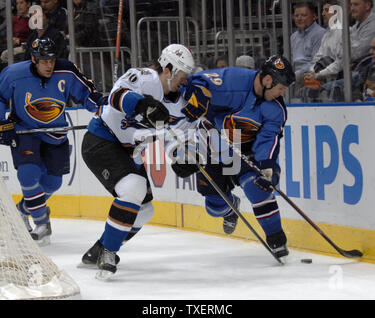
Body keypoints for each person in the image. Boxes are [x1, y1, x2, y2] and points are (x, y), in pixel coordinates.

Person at [80, 44, 195, 280]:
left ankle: (101, 247)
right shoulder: (145, 78)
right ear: (169, 68)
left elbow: (169, 138)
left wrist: (180, 158)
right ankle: (109, 253)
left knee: (144, 210)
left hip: (129, 151)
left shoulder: (180, 105)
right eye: (181, 76)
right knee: (134, 187)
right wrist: (141, 104)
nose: (184, 82)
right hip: (101, 139)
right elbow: (116, 96)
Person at [172, 55, 296, 259]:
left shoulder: (275, 108)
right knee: (215, 207)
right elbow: (194, 82)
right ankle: (231, 209)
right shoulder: (234, 80)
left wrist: (268, 165)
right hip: (212, 148)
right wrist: (198, 95)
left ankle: (277, 239)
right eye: (281, 88)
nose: (282, 93)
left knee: (258, 186)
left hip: (246, 151)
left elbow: (268, 138)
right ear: (267, 81)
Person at [0, 38, 105, 245]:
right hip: (25, 130)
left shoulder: (66, 70)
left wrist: (102, 110)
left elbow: (88, 95)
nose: (49, 65)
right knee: (28, 173)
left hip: (55, 132)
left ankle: (23, 210)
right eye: (43, 61)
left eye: (52, 60)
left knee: (53, 182)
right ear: (33, 59)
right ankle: (42, 222)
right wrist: (3, 122)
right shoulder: (13, 74)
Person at [290, 2, 325, 96]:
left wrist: (296, 74)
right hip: (295, 75)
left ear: (314, 16)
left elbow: (316, 63)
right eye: (296, 15)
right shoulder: (293, 37)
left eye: (303, 15)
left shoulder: (320, 34)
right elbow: (289, 60)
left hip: (311, 74)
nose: (299, 18)